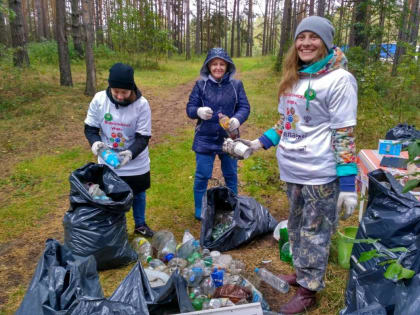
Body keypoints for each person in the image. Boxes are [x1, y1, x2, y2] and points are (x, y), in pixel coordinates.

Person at [239, 16, 358, 314]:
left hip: (319, 173)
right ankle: (302, 273)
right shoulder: (296, 76)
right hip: (292, 169)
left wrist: (347, 185)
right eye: (301, 37)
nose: (306, 43)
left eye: (313, 37)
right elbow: (286, 123)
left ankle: (310, 289)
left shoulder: (339, 80)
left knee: (315, 232)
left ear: (326, 42)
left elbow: (343, 134)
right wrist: (257, 144)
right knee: (295, 226)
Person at [84, 62, 155, 237]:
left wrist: (130, 153)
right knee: (111, 194)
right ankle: (116, 228)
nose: (120, 96)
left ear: (132, 88)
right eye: (116, 91)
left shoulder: (142, 105)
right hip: (108, 158)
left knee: (138, 193)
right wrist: (96, 144)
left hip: (136, 161)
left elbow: (143, 137)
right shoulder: (99, 100)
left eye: (124, 92)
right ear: (110, 86)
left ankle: (140, 224)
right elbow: (90, 128)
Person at [186, 48, 251, 220]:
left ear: (228, 66)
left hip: (229, 138)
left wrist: (237, 119)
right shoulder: (200, 85)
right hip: (204, 138)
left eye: (222, 64)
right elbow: (190, 109)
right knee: (202, 174)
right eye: (214, 64)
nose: (218, 67)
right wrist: (198, 111)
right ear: (208, 66)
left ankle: (232, 204)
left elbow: (244, 107)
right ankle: (200, 208)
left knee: (230, 173)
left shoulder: (236, 85)